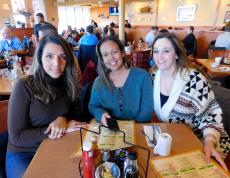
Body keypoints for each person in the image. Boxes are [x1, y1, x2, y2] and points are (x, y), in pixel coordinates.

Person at [6, 34, 87, 178]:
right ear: (39, 58)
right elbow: (16, 137)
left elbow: (74, 115)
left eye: (62, 56)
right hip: (23, 153)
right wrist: (60, 128)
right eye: (49, 56)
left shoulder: (67, 83)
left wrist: (63, 119)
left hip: (55, 145)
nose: (57, 63)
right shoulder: (24, 86)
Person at [151, 32, 229, 171]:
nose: (159, 57)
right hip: (172, 138)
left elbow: (210, 115)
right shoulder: (154, 76)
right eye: (156, 51)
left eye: (166, 51)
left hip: (199, 139)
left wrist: (209, 142)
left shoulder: (193, 80)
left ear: (176, 54)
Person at [89, 36, 153, 125]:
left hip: (138, 129)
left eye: (114, 52)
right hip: (110, 129)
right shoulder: (99, 82)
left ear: (122, 53)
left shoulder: (143, 76)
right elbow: (93, 106)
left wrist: (129, 128)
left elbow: (146, 111)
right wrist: (101, 114)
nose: (111, 57)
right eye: (105, 54)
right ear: (102, 60)